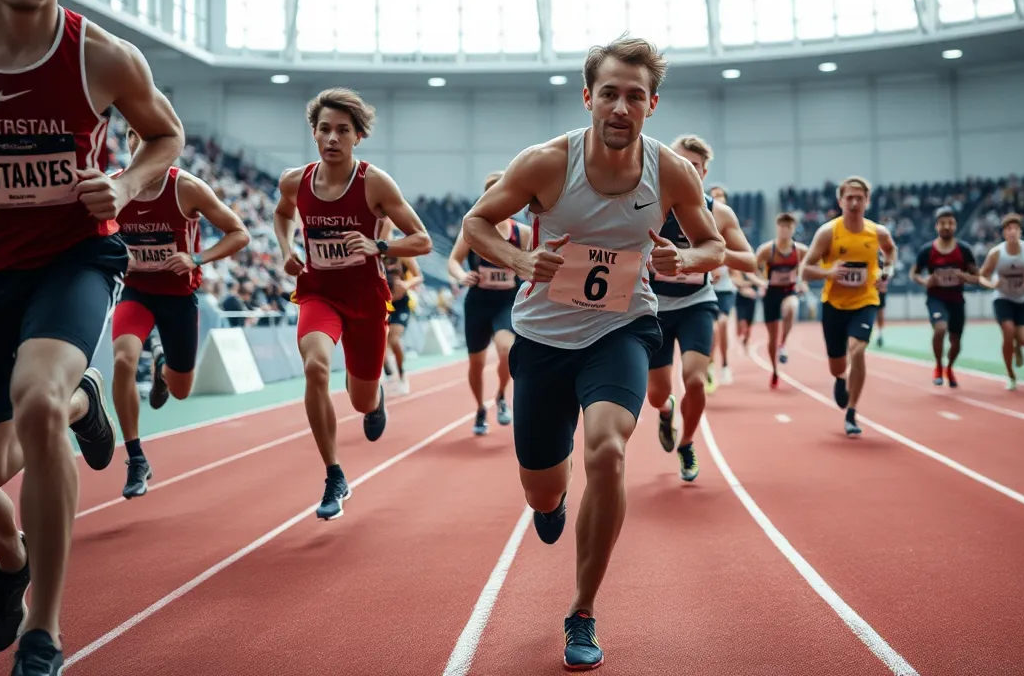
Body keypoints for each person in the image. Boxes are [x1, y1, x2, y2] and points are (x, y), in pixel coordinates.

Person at [461, 37, 724, 671]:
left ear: (651, 105)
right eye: (609, 93)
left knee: (606, 449)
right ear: (588, 98)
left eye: (635, 96)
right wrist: (523, 259)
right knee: (541, 489)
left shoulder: (673, 172)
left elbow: (713, 247)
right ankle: (550, 502)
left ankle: (582, 610)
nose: (620, 107)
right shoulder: (547, 163)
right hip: (544, 341)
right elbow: (476, 224)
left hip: (622, 329)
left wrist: (681, 258)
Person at [0, 0, 185, 675]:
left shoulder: (101, 59)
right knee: (21, 440)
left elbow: (164, 136)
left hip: (72, 260)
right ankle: (11, 551)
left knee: (33, 402)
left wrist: (130, 182)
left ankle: (43, 629)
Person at [274, 88, 432, 521]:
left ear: (357, 137)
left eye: (342, 130)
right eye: (324, 129)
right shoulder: (296, 180)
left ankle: (375, 397)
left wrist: (378, 244)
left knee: (360, 402)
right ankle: (333, 474)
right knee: (316, 367)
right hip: (318, 292)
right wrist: (287, 247)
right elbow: (283, 213)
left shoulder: (374, 183)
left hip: (365, 299)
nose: (332, 138)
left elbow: (423, 240)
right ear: (314, 132)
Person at [111, 128, 250, 499]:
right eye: (133, 136)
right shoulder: (114, 189)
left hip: (177, 295)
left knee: (181, 389)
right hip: (135, 290)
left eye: (149, 137)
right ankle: (136, 457)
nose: (141, 144)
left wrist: (196, 258)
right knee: (123, 360)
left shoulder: (187, 188)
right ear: (127, 142)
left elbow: (239, 233)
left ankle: (162, 365)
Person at [647, 136, 755, 482]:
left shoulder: (718, 212)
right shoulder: (649, 206)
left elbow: (750, 261)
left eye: (693, 166)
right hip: (655, 308)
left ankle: (687, 443)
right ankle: (666, 412)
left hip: (697, 303)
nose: (685, 170)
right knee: (656, 394)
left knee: (694, 379)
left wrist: (707, 254)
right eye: (679, 163)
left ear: (704, 171)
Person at [801, 177, 897, 437]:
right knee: (837, 365)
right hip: (834, 305)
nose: (854, 203)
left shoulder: (877, 233)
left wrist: (886, 272)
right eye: (849, 198)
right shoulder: (828, 233)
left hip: (865, 302)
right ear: (840, 201)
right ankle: (841, 379)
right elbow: (806, 270)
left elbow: (890, 253)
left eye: (859, 198)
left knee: (858, 350)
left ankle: (852, 411)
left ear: (867, 201)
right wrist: (828, 272)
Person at [447, 171, 529, 435]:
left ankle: (502, 396)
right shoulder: (472, 230)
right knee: (477, 363)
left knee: (506, 350)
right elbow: (453, 261)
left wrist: (526, 269)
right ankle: (480, 408)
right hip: (478, 302)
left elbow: (536, 258)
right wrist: (462, 276)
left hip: (507, 301)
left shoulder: (522, 232)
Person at [909, 206, 979, 388]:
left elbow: (978, 277)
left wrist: (964, 277)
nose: (946, 226)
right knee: (940, 329)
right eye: (942, 223)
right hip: (936, 298)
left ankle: (949, 367)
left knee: (956, 342)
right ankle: (938, 366)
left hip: (957, 300)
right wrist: (925, 281)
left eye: (950, 223)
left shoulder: (964, 250)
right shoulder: (927, 250)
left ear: (955, 225)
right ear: (936, 226)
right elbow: (914, 274)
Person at [978, 213, 1024, 390]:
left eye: (1015, 229)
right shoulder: (996, 254)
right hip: (1003, 298)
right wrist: (992, 283)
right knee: (1008, 331)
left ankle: (1019, 346)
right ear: (1004, 233)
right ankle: (1010, 374)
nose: (1012, 232)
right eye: (1008, 229)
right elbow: (982, 276)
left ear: (1020, 232)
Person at [753, 213, 809, 387]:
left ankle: (783, 344)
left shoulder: (800, 251)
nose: (785, 230)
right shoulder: (766, 250)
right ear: (777, 228)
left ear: (793, 229)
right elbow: (752, 269)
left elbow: (808, 269)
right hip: (771, 294)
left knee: (792, 307)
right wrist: (761, 283)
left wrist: (803, 283)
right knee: (772, 336)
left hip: (789, 291)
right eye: (782, 226)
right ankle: (775, 370)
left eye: (788, 227)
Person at [705, 184, 738, 390]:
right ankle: (710, 363)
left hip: (725, 290)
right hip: (706, 289)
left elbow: (739, 268)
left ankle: (724, 362)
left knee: (723, 325)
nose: (720, 199)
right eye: (715, 196)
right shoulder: (701, 225)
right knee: (713, 330)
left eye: (722, 196)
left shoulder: (730, 229)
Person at [383, 250, 422, 395]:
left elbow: (419, 277)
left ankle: (401, 374)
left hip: (401, 304)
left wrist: (406, 284)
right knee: (380, 342)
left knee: (393, 338)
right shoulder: (373, 252)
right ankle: (388, 372)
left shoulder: (403, 253)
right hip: (383, 302)